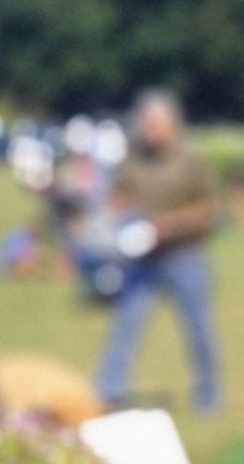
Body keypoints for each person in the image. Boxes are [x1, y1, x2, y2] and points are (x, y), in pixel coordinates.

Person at [94, 89, 225, 412]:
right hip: (143, 260)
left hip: (185, 256)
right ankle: (107, 393)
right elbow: (118, 197)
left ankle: (209, 394)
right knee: (126, 325)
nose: (149, 132)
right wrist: (113, 225)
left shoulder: (191, 160)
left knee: (198, 329)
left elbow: (210, 210)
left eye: (155, 125)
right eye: (145, 125)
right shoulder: (133, 158)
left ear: (173, 124)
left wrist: (166, 225)